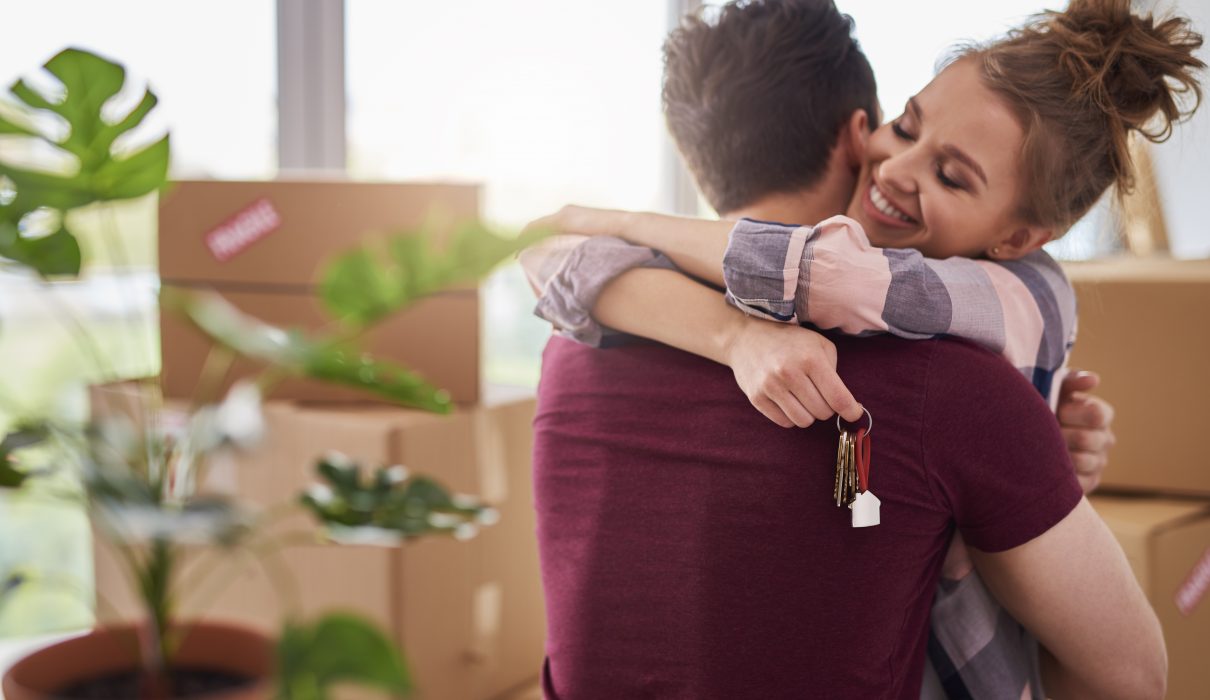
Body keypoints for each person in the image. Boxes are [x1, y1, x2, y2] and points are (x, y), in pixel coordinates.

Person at [528, 0, 1199, 697]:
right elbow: (1134, 675)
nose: (899, 166)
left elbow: (823, 274)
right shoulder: (957, 390)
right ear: (860, 131)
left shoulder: (575, 344)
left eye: (952, 174)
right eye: (904, 127)